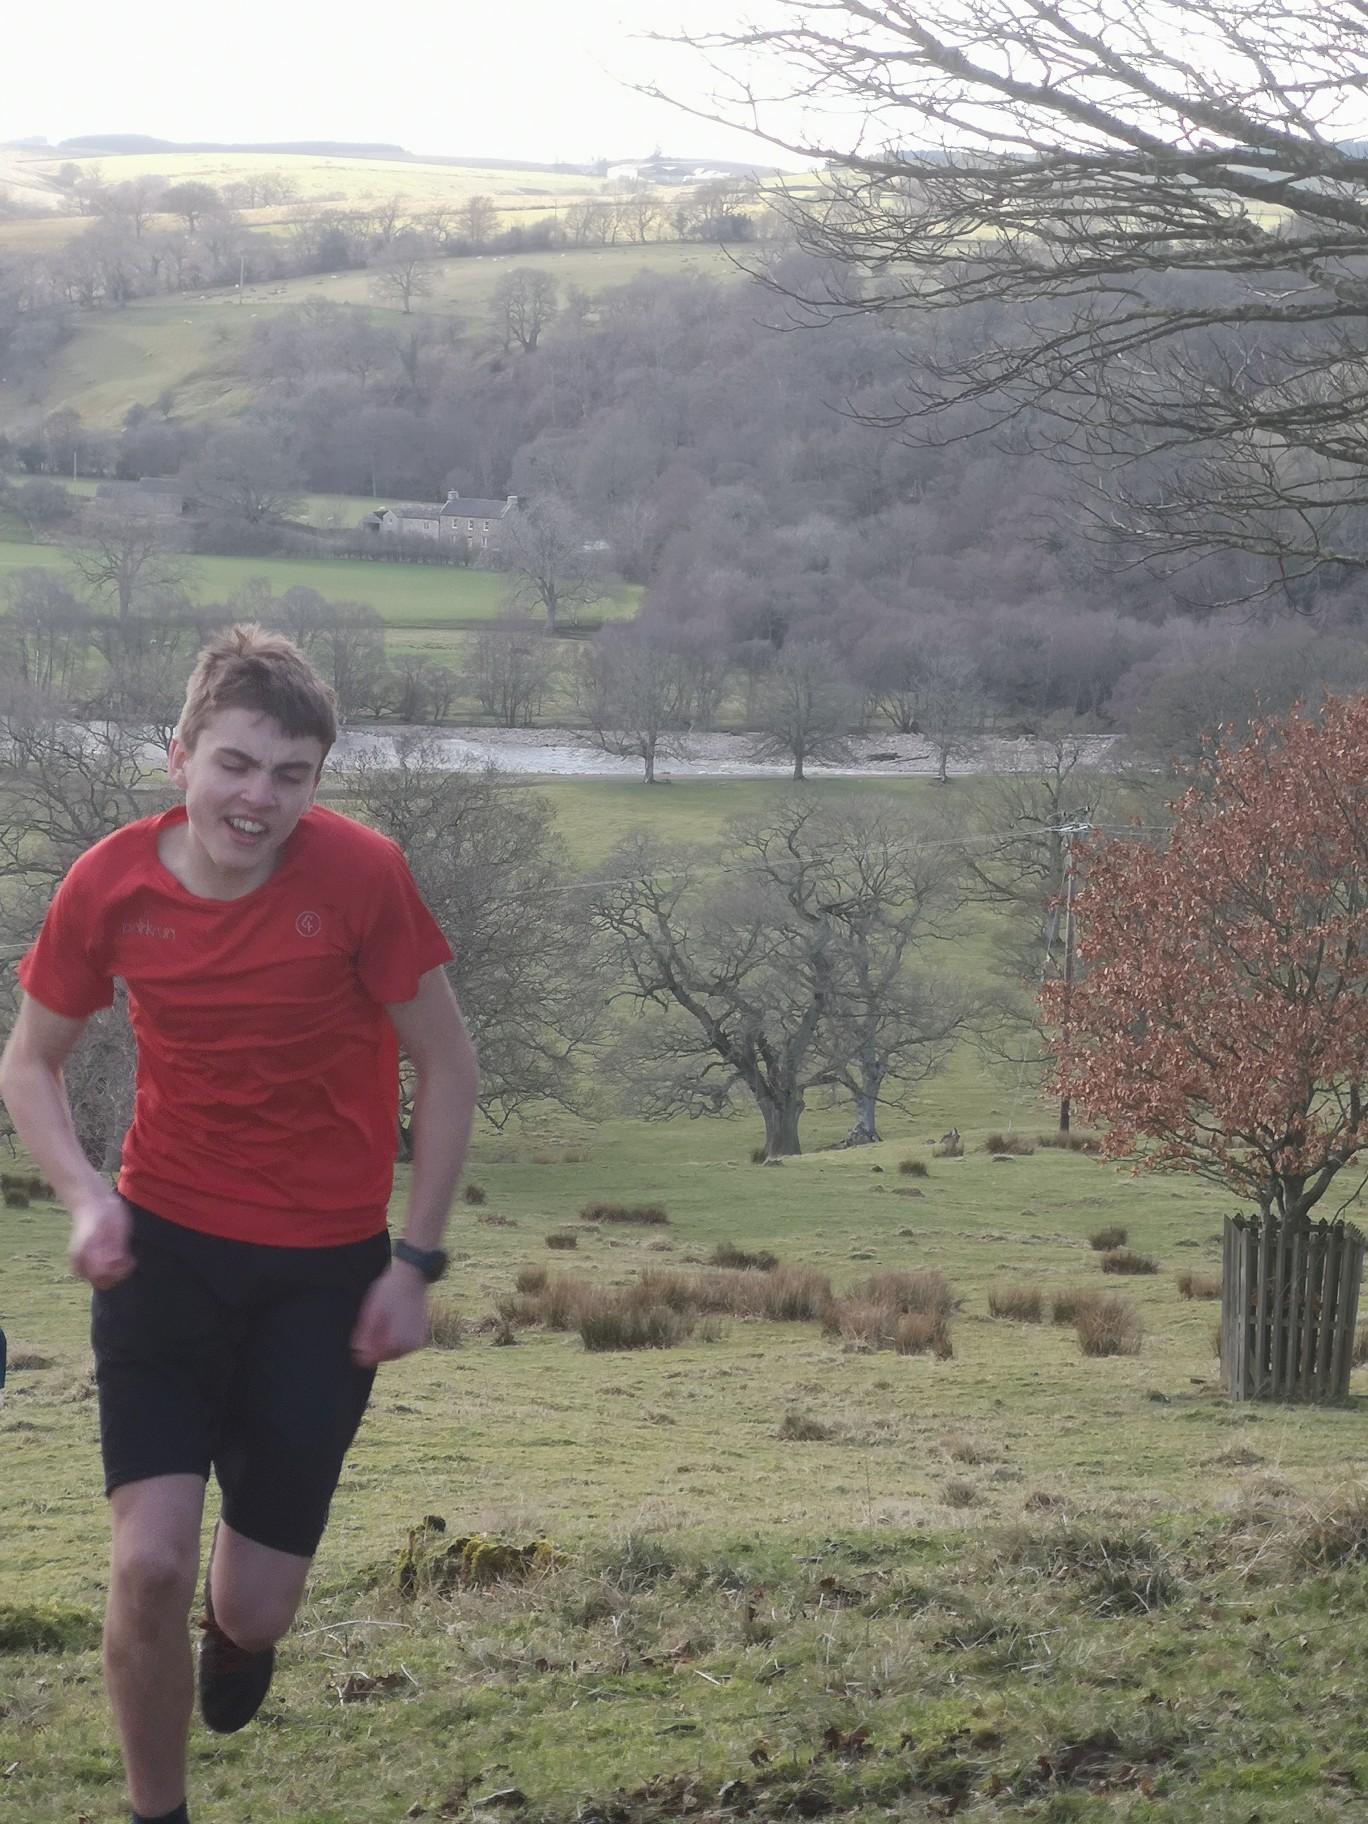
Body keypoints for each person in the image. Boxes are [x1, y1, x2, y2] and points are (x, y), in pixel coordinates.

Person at [0, 624, 479, 1824]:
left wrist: (414, 1262)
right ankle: (156, 1811)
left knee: (255, 1605)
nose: (258, 798)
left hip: (325, 1276)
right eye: (235, 764)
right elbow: (30, 1064)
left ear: (316, 783)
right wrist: (86, 1196)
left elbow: (449, 1065)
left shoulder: (363, 876)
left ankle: (240, 1631)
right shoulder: (109, 885)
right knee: (149, 1562)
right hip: (163, 1252)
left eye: (290, 775)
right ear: (180, 758)